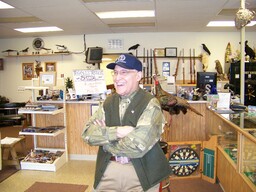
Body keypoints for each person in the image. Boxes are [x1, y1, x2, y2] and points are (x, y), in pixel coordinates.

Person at [82, 53, 171, 192]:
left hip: (141, 175)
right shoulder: (108, 102)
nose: (117, 78)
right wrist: (118, 131)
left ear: (138, 76)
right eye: (115, 73)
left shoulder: (151, 104)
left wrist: (105, 142)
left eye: (124, 72)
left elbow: (137, 146)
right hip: (107, 170)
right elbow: (87, 134)